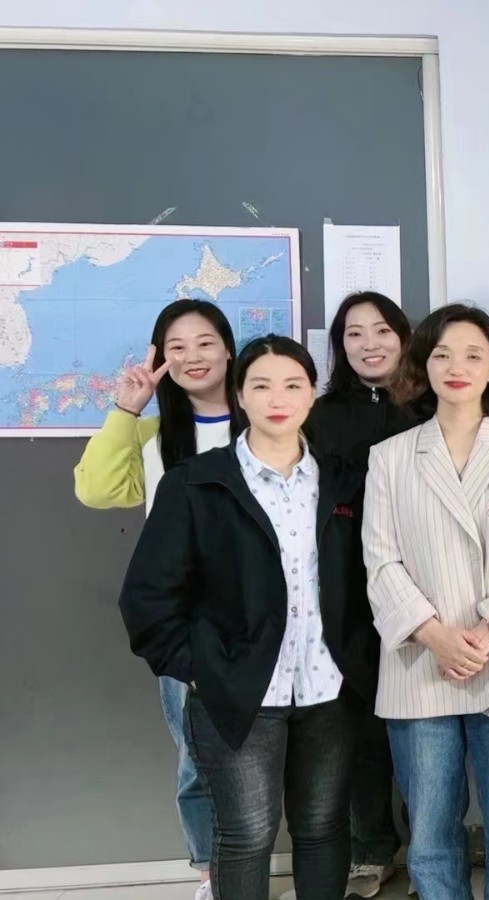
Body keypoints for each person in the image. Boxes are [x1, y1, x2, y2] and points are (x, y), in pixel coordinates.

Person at [119, 335, 372, 900]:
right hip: (238, 693)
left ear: (312, 394)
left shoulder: (344, 481)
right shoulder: (196, 482)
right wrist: (199, 667)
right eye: (261, 385)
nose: (277, 398)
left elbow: (371, 579)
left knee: (323, 828)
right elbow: (146, 596)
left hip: (330, 690)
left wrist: (360, 657)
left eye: (293, 385)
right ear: (239, 395)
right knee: (246, 835)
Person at [363, 303, 489, 900]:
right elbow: (380, 559)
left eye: (474, 355)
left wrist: (488, 630)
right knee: (430, 834)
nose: (458, 367)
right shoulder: (391, 456)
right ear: (423, 364)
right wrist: (435, 634)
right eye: (443, 354)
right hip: (421, 660)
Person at [73, 298, 242, 900]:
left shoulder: (269, 419)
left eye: (205, 342)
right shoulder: (153, 436)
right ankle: (212, 874)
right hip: (187, 623)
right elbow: (97, 491)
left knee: (282, 746)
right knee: (197, 753)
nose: (193, 356)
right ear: (161, 359)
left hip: (266, 616)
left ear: (229, 349)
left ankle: (266, 862)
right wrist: (127, 408)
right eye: (177, 347)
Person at [301, 290, 414, 898]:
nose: (370, 344)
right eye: (354, 333)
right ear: (340, 346)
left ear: (403, 337)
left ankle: (432, 849)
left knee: (426, 726)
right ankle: (372, 847)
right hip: (346, 588)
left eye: (382, 330)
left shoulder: (432, 406)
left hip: (425, 585)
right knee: (360, 722)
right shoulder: (318, 416)